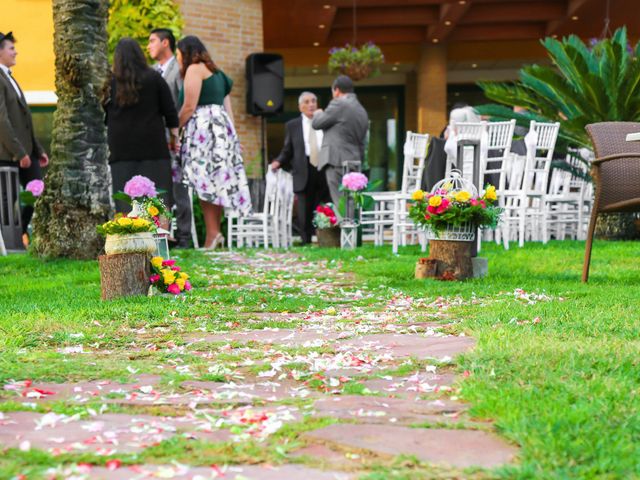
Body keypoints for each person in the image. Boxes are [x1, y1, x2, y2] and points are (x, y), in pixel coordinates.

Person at [177, 35, 251, 249]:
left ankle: (212, 235)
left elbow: (189, 106)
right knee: (216, 182)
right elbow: (228, 109)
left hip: (203, 131)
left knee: (204, 181)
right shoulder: (219, 74)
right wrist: (234, 139)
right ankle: (214, 233)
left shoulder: (194, 69)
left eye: (179, 53)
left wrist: (174, 129)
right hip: (222, 131)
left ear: (186, 52)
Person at [105, 38, 178, 212]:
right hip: (154, 149)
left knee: (125, 201)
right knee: (160, 201)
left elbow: (104, 115)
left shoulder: (111, 83)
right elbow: (170, 112)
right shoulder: (154, 78)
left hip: (121, 150)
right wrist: (175, 138)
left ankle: (129, 238)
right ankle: (161, 239)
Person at [0, 31, 48, 243]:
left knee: (38, 191)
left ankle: (20, 233)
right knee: (6, 200)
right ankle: (9, 241)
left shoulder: (10, 78)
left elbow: (24, 120)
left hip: (27, 152)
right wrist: (19, 152)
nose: (15, 52)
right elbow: (2, 120)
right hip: (8, 153)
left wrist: (37, 150)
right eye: (11, 48)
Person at [148, 28, 193, 249]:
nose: (149, 46)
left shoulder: (180, 70)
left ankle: (185, 236)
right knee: (160, 188)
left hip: (175, 140)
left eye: (152, 41)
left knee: (179, 186)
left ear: (166, 43)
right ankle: (162, 235)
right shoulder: (151, 71)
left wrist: (177, 134)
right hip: (155, 141)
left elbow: (184, 103)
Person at [271, 91, 329, 245]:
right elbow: (288, 150)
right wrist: (278, 162)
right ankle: (306, 241)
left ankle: (327, 238)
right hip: (303, 169)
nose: (311, 104)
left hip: (323, 168)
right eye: (307, 102)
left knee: (325, 205)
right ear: (300, 106)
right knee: (304, 209)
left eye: (313, 101)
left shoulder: (325, 122)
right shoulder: (292, 125)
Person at [312, 75, 368, 207]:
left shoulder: (339, 103)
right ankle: (352, 227)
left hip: (336, 161)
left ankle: (346, 228)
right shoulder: (361, 110)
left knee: (340, 203)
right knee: (351, 202)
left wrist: (318, 113)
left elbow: (317, 123)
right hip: (354, 160)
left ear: (336, 90)